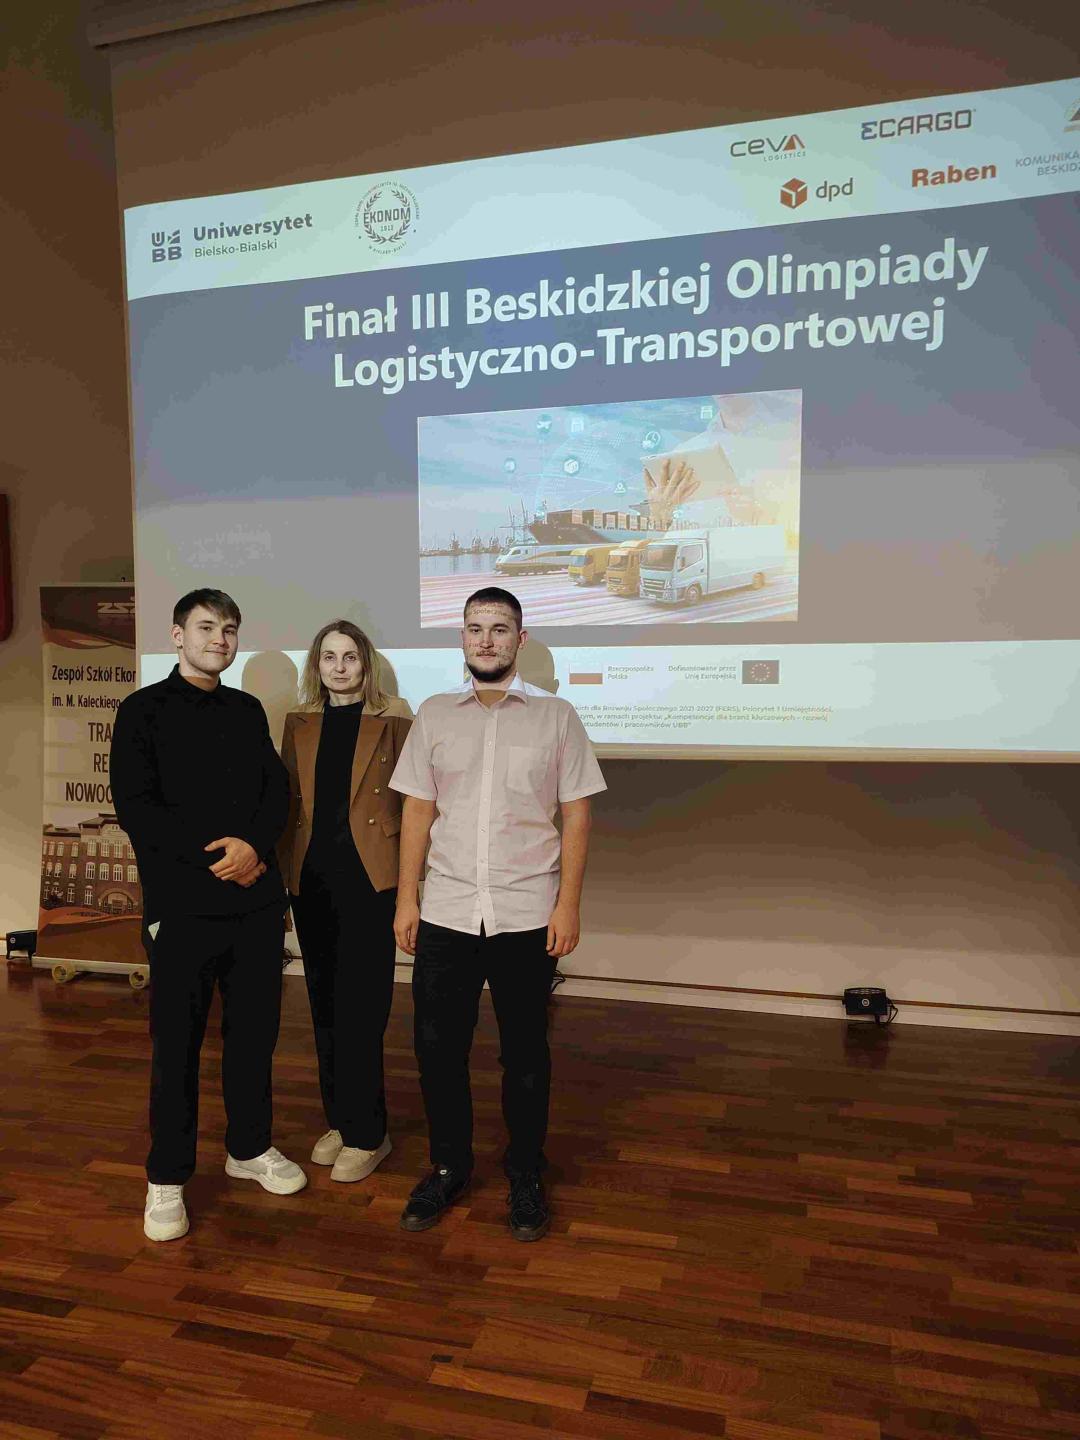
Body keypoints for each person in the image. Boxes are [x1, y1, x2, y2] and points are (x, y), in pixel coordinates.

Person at [390, 586, 606, 1240]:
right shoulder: (434, 715)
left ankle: (525, 1174)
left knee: (526, 1056)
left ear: (521, 639)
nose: (486, 640)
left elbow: (576, 814)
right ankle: (449, 1167)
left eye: (500, 628)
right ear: (462, 637)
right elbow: (418, 810)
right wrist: (407, 897)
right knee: (438, 1052)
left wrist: (568, 904)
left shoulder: (557, 717)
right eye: (475, 628)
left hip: (527, 912)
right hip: (448, 911)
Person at [110, 588, 305, 1243]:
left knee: (253, 1039)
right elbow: (138, 809)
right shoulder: (142, 711)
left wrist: (253, 849)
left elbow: (276, 792)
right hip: (184, 907)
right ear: (177, 635)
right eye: (206, 627)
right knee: (177, 1049)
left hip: (254, 904)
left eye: (229, 629)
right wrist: (222, 860)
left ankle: (248, 1148)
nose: (219, 639)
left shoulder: (246, 710)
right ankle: (166, 1178)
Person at [278, 621, 411, 1183]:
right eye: (329, 657)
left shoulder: (394, 720)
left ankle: (369, 1133)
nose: (339, 667)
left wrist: (413, 888)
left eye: (349, 657)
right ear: (317, 664)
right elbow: (288, 807)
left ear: (366, 663)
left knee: (363, 1008)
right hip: (312, 880)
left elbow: (414, 805)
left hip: (371, 880)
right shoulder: (300, 722)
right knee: (324, 1004)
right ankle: (341, 1120)